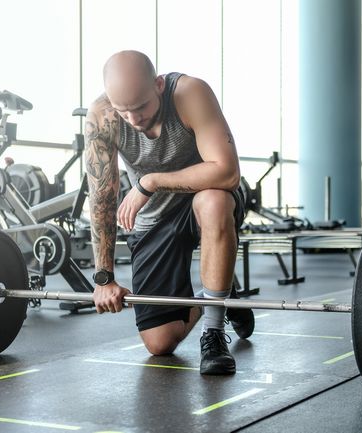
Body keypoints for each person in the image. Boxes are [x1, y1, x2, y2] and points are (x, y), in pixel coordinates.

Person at [84, 50, 254, 375]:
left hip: (204, 201)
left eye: (141, 107)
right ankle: (220, 289)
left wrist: (151, 181)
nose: (134, 119)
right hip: (155, 220)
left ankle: (215, 333)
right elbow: (102, 197)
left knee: (213, 201)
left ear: (158, 85)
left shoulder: (190, 93)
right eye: (124, 111)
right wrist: (104, 278)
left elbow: (227, 172)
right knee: (160, 344)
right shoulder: (102, 116)